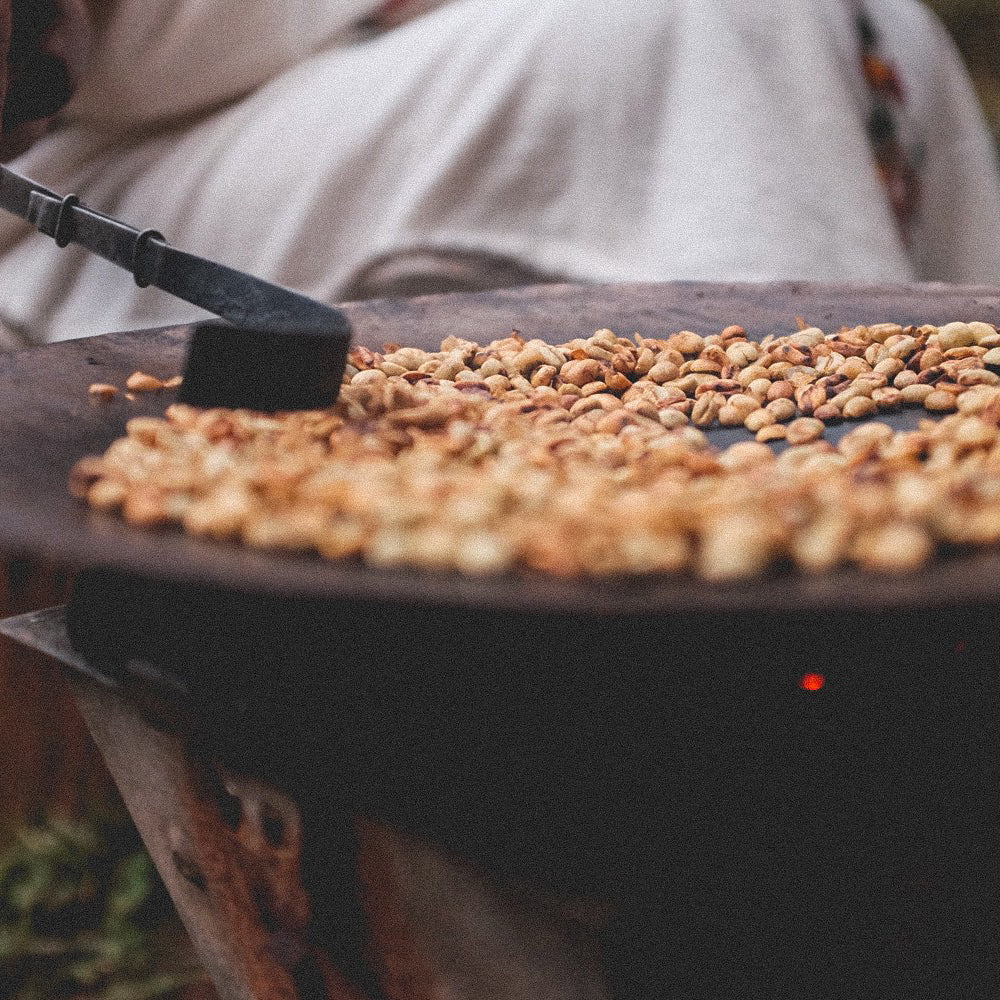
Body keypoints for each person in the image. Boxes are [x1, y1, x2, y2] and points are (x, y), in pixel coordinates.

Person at [0, 0, 999, 345]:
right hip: (112, 153)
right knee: (704, 28)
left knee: (876, 24)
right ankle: (826, 484)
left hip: (319, 56)